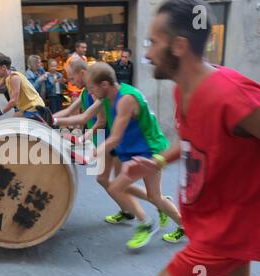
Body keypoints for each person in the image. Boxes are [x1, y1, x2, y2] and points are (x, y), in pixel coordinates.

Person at [126, 0, 260, 276]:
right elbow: (190, 140)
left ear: (179, 46)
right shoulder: (185, 88)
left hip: (228, 228)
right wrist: (156, 161)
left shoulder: (231, 94)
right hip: (212, 219)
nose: (146, 53)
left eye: (153, 42)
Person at [53, 61, 184, 244]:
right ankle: (173, 218)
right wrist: (54, 121)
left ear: (104, 84)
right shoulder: (106, 96)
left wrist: (94, 152)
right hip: (133, 150)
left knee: (120, 187)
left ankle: (147, 223)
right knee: (141, 191)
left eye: (92, 88)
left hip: (150, 150)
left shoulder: (126, 100)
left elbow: (114, 138)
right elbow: (84, 117)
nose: (90, 93)